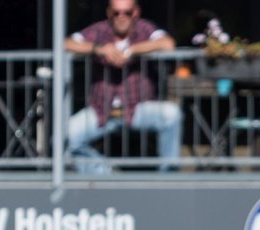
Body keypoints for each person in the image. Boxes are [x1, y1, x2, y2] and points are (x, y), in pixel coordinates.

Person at [64, 0, 181, 172]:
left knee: (172, 114)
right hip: (101, 109)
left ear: (136, 13)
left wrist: (132, 50)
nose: (121, 17)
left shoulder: (145, 29)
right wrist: (99, 49)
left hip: (137, 108)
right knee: (65, 135)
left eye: (127, 13)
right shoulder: (99, 30)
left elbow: (168, 44)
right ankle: (103, 175)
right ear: (109, 13)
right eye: (116, 13)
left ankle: (167, 176)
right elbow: (65, 43)